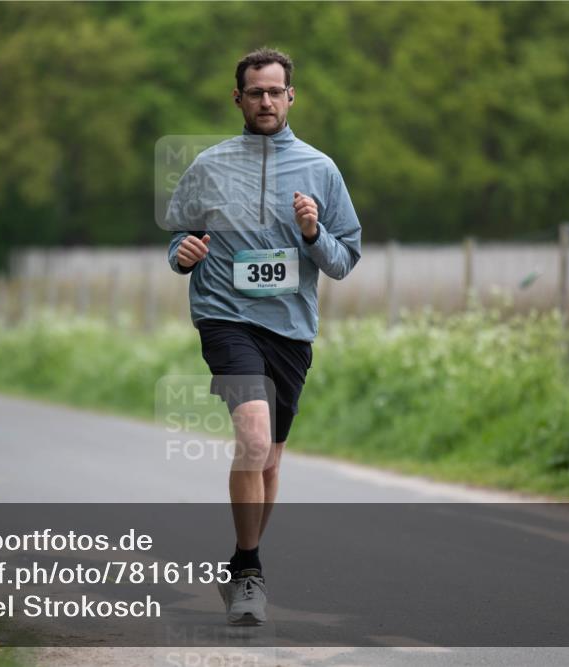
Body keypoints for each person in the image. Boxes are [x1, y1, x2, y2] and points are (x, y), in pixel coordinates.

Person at [166, 48, 362, 625]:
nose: (266, 101)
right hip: (225, 317)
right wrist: (182, 255)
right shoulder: (207, 166)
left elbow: (344, 258)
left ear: (291, 96)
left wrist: (312, 232)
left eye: (276, 92)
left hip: (291, 329)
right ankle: (251, 570)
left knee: (270, 458)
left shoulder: (320, 169)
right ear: (238, 99)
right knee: (253, 437)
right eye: (256, 93)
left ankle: (239, 565)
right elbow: (180, 237)